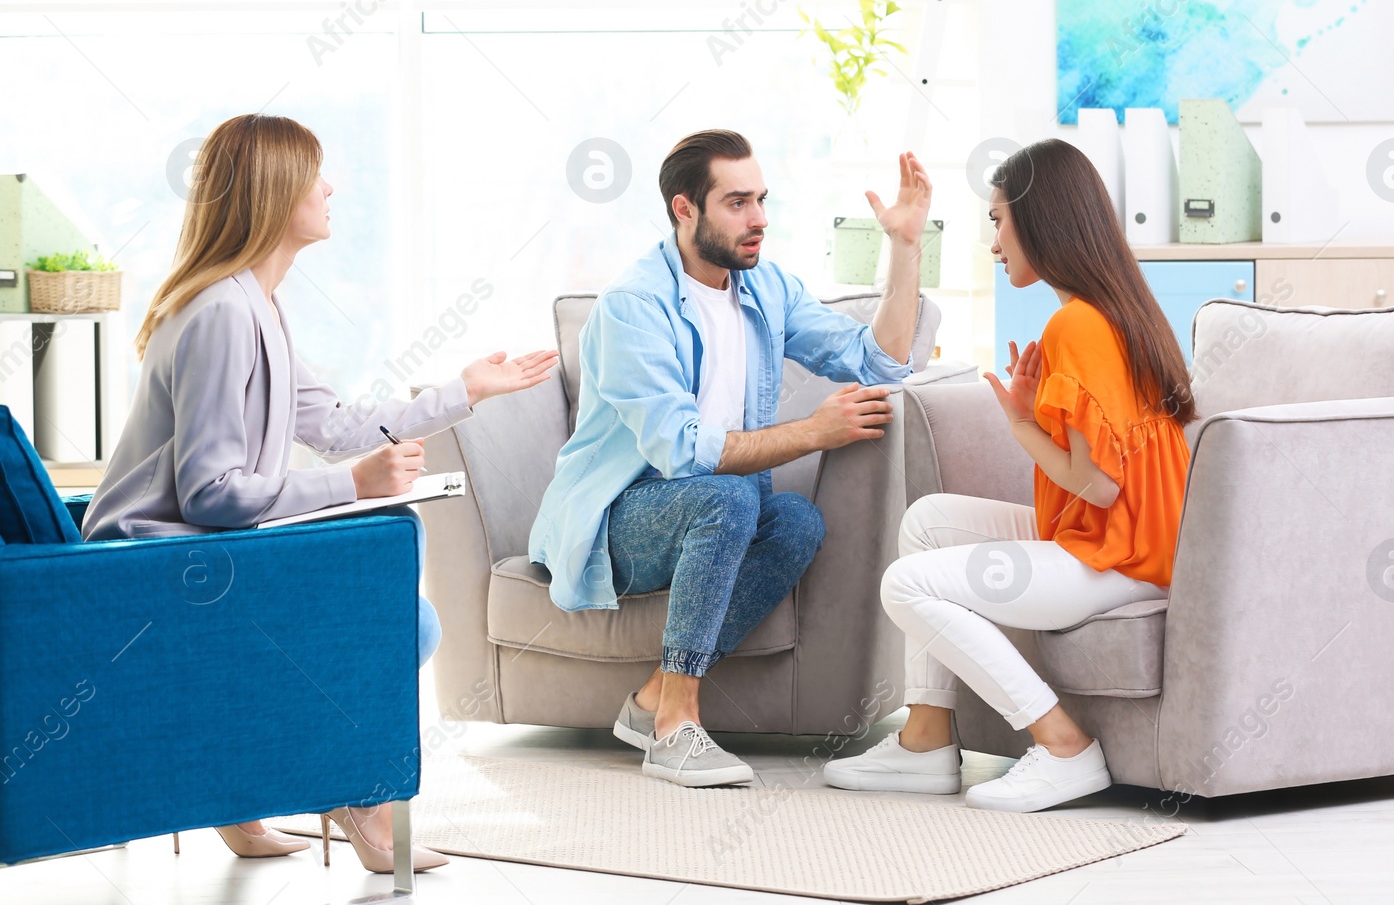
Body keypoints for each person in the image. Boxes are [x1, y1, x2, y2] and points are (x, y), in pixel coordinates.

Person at [83, 113, 558, 870]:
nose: (331, 187)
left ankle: (248, 791)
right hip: (152, 573)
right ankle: (353, 797)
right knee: (403, 625)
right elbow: (210, 493)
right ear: (274, 193)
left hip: (199, 559)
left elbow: (335, 423)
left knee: (401, 617)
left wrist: (462, 390)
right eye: (315, 174)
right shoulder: (220, 313)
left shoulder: (257, 304)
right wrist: (353, 483)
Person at [529, 129, 933, 787]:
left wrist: (906, 245)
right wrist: (813, 431)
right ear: (684, 209)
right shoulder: (635, 305)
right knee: (730, 493)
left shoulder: (765, 287)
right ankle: (675, 726)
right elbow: (681, 451)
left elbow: (878, 360)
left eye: (762, 200)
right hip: (614, 521)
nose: (760, 220)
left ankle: (653, 696)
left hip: (712, 507)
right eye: (738, 202)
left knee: (797, 519)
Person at [823, 137, 1193, 812]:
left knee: (906, 584)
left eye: (997, 219)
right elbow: (1105, 478)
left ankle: (1063, 745)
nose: (993, 240)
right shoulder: (1102, 310)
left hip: (1120, 554)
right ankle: (926, 739)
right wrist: (1027, 421)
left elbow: (1101, 485)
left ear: (1040, 217)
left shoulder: (1077, 325)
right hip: (1122, 536)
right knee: (927, 521)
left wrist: (1024, 428)